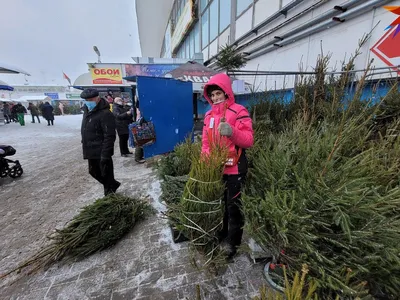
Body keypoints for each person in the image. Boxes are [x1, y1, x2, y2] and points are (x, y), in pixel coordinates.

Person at [201, 73, 254, 258]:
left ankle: (234, 244)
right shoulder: (208, 116)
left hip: (235, 168)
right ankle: (223, 232)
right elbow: (206, 143)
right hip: (218, 168)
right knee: (222, 203)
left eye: (218, 93)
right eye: (212, 95)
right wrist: (205, 163)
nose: (215, 98)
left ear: (226, 93)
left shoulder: (239, 111)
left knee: (234, 207)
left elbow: (248, 140)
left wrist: (232, 132)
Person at [80, 88, 120, 196]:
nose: (88, 101)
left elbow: (110, 135)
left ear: (97, 98)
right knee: (93, 172)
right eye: (86, 99)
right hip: (90, 149)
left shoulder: (105, 114)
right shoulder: (88, 112)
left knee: (106, 174)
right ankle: (112, 185)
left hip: (102, 150)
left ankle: (110, 194)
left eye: (90, 99)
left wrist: (106, 154)